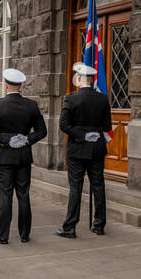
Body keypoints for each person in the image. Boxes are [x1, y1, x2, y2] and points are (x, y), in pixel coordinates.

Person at [0, 69, 47, 244]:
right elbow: (42, 132)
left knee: (6, 195)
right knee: (23, 195)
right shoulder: (31, 106)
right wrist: (25, 140)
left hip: (4, 157)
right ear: (21, 85)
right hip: (23, 156)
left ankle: (2, 235)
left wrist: (6, 139)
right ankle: (25, 234)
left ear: (6, 85)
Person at [59, 63, 112, 238]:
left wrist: (81, 135)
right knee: (98, 186)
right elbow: (107, 126)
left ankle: (70, 227)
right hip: (96, 147)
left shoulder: (70, 99)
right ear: (92, 80)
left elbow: (64, 125)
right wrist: (91, 133)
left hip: (77, 149)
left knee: (75, 187)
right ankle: (99, 225)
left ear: (80, 79)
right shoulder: (103, 99)